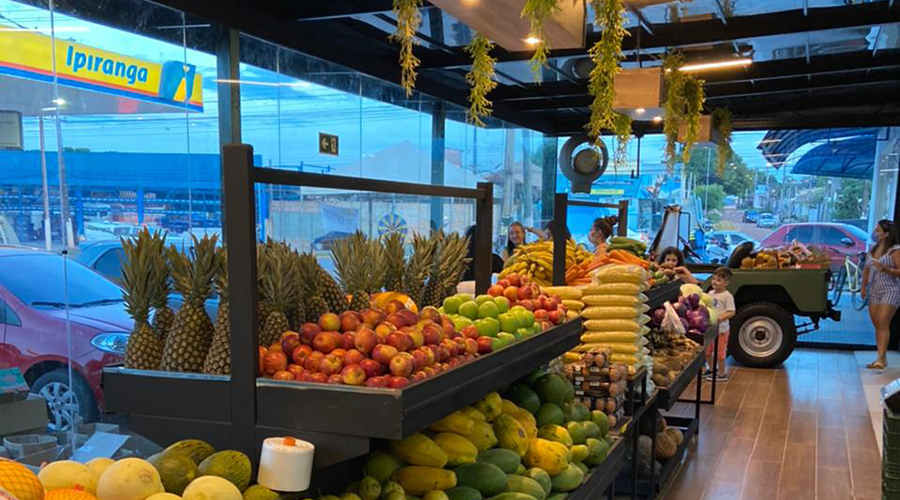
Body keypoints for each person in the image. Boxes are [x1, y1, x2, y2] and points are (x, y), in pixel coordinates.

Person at [862, 219, 900, 369]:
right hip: (874, 288)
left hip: (891, 288)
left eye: (877, 230)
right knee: (877, 323)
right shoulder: (872, 249)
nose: (874, 233)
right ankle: (881, 357)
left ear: (886, 234)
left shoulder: (895, 250)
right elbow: (867, 269)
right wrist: (863, 286)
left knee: (883, 322)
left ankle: (881, 358)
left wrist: (886, 269)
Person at [706, 267, 735, 381]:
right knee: (707, 351)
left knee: (720, 353)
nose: (714, 282)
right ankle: (711, 370)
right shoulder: (710, 293)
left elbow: (732, 311)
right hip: (710, 329)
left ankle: (722, 374)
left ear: (726, 282)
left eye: (718, 280)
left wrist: (720, 318)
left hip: (721, 330)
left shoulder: (727, 296)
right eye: (713, 279)